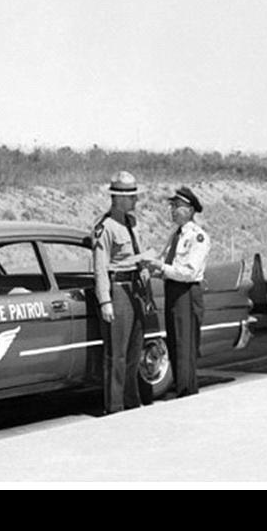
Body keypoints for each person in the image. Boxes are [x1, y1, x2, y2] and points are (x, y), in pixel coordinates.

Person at [141, 186, 210, 399]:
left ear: (189, 210)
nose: (172, 210)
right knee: (174, 343)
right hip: (173, 290)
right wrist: (151, 267)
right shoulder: (176, 236)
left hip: (186, 292)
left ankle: (187, 391)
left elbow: (189, 272)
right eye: (172, 206)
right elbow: (165, 260)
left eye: (177, 206)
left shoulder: (197, 237)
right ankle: (182, 387)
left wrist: (161, 268)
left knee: (184, 345)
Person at [92, 170, 152, 414]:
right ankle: (115, 405)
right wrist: (105, 301)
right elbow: (100, 267)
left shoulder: (132, 223)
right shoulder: (105, 227)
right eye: (131, 197)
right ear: (117, 198)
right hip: (118, 289)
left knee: (134, 350)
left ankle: (131, 400)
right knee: (116, 353)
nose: (135, 201)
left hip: (135, 288)